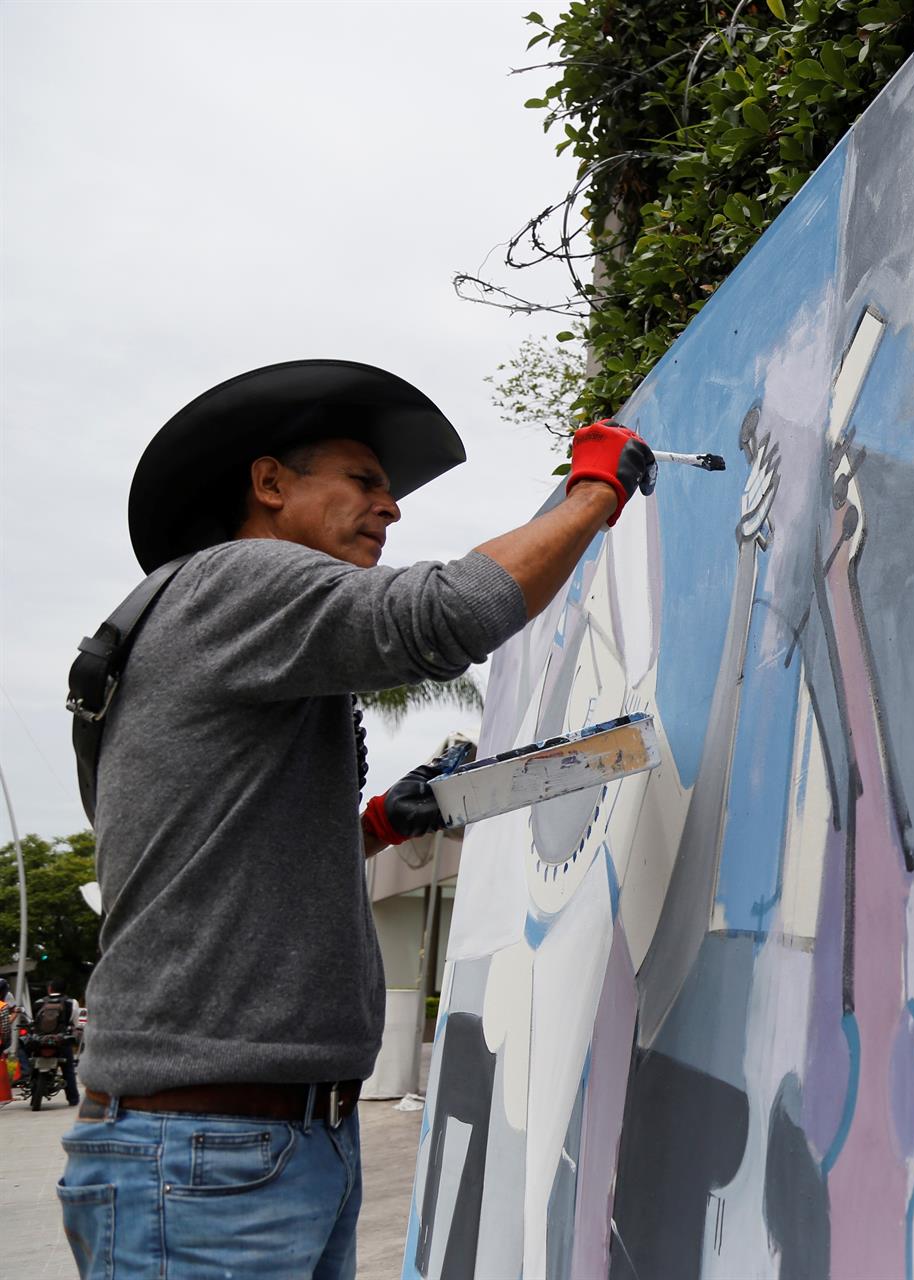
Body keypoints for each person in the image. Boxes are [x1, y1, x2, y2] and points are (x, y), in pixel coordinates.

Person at [58, 359, 656, 1278]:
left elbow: (220, 857)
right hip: (206, 1153)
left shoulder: (211, 623)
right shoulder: (239, 578)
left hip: (250, 1147)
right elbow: (445, 617)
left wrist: (375, 826)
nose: (392, 508)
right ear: (269, 484)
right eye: (364, 481)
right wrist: (594, 492)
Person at [30, 978, 81, 1105]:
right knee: (68, 1070)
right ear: (65, 989)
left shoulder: (39, 1002)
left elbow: (34, 1022)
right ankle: (73, 1099)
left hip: (40, 1041)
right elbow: (76, 1023)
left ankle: (33, 1095)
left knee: (33, 1065)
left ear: (50, 989)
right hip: (60, 1041)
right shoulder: (71, 1002)